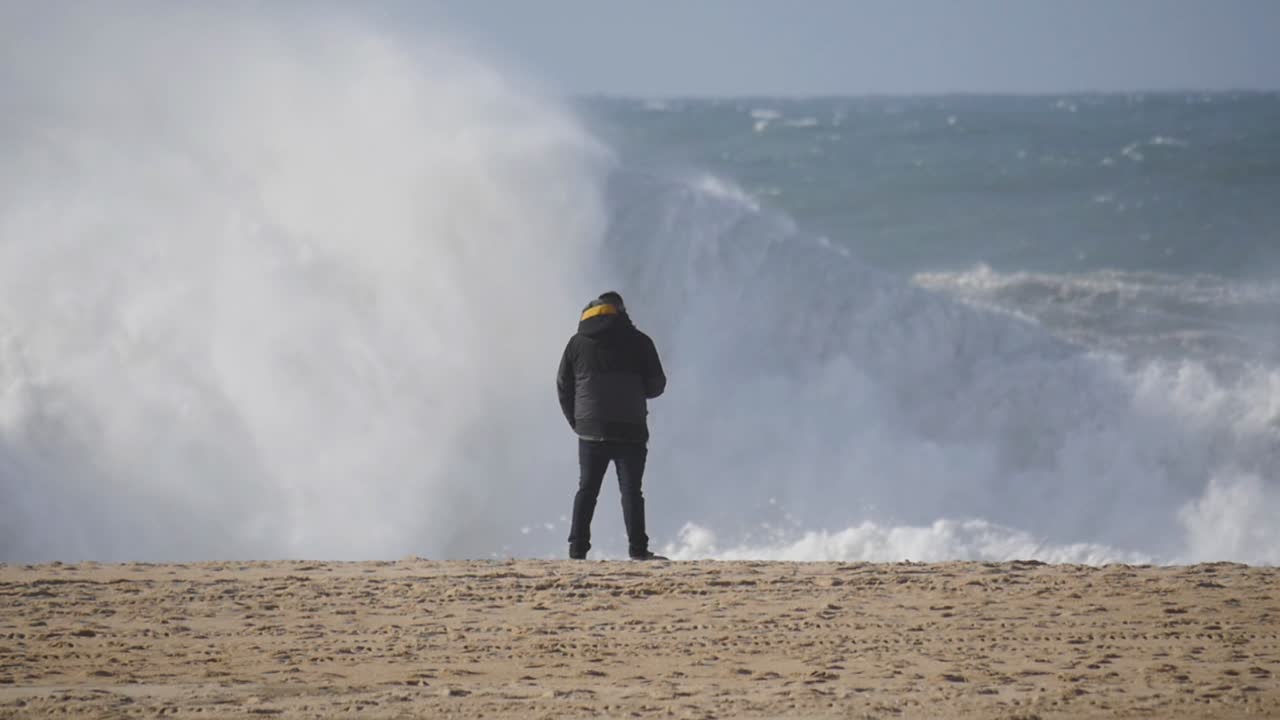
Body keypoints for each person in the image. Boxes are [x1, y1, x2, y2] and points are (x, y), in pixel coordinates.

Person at [557, 291, 668, 561]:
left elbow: (563, 385)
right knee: (631, 492)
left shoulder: (577, 343)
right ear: (620, 310)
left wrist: (577, 421)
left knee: (587, 489)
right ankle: (638, 550)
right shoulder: (640, 342)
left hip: (590, 429)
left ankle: (577, 550)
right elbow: (657, 385)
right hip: (630, 429)